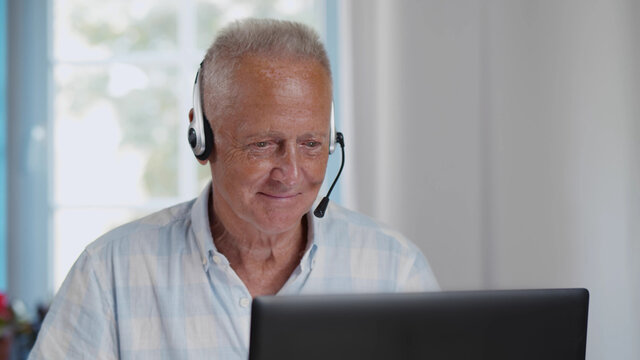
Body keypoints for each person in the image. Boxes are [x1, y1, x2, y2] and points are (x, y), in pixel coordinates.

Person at [28, 18, 439, 359]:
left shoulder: (395, 270)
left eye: (311, 144)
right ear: (201, 138)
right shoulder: (108, 274)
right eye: (263, 144)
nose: (292, 173)